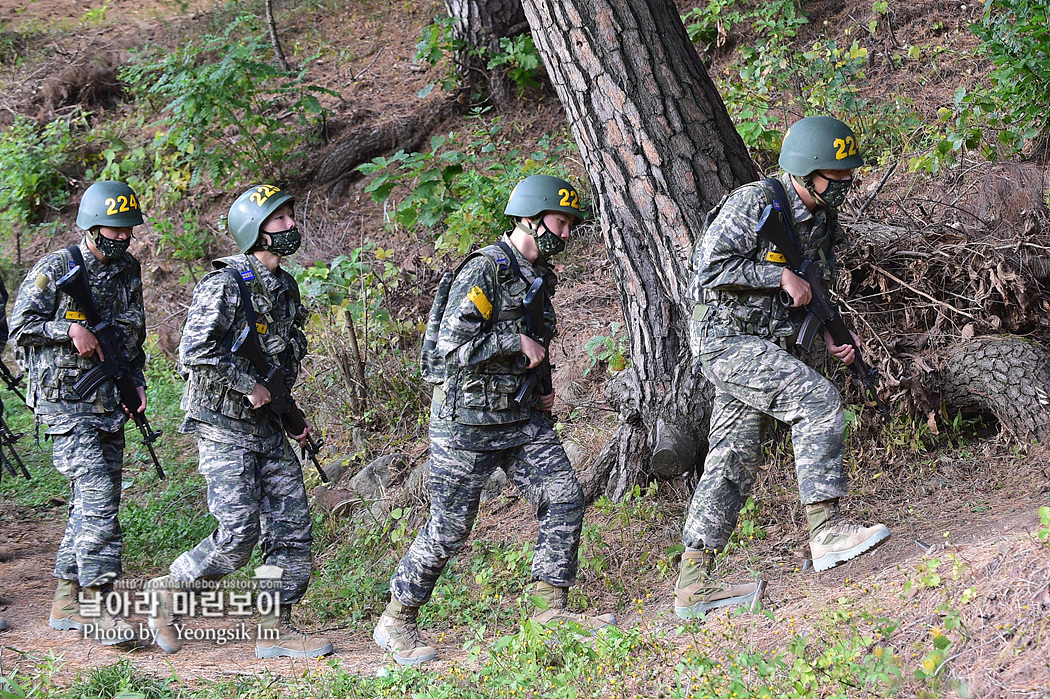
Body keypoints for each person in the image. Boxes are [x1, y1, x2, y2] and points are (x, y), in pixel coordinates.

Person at [372, 174, 616, 666]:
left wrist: (545, 391)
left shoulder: (536, 275)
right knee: (450, 525)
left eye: (570, 225)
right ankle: (395, 621)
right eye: (559, 222)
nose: (566, 234)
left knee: (564, 496)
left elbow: (537, 343)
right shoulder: (485, 270)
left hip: (521, 417)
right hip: (466, 423)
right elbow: (450, 347)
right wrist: (510, 343)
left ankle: (549, 609)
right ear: (529, 216)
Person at [678, 116, 891, 618]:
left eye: (848, 177)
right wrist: (775, 275)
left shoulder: (820, 218)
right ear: (807, 171)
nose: (845, 186)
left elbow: (811, 287)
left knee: (732, 457)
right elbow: (707, 267)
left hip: (762, 346)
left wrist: (835, 335)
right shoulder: (757, 202)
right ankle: (827, 533)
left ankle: (693, 587)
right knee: (818, 403)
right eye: (836, 178)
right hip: (725, 340)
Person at [145, 185, 332, 659]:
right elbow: (195, 352)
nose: (291, 225)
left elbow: (280, 366)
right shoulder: (226, 285)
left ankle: (277, 628)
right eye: (279, 220)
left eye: (291, 216)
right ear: (255, 231)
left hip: (267, 428)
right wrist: (246, 385)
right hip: (223, 426)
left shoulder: (284, 287)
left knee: (291, 528)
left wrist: (291, 418)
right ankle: (167, 593)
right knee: (238, 535)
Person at [10, 180, 148, 645]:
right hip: (64, 404)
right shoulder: (57, 267)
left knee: (95, 497)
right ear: (90, 225)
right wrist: (69, 329)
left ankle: (67, 598)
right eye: (114, 228)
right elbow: (19, 328)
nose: (123, 236)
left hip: (108, 401)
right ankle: (99, 605)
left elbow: (133, 337)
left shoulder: (129, 270)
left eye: (128, 229)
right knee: (97, 499)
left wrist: (137, 386)